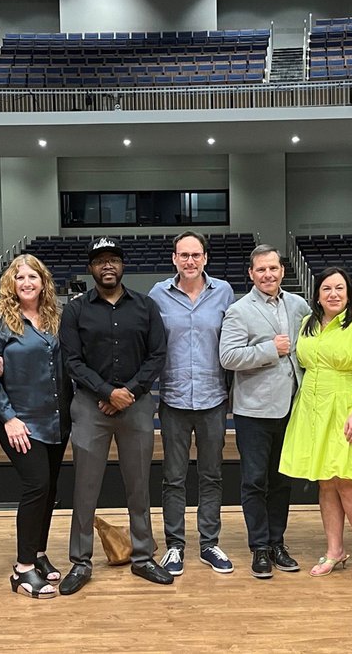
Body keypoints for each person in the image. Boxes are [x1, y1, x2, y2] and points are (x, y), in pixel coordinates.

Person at [58, 237, 171, 595]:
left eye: (113, 260)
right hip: (92, 407)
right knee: (85, 487)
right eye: (99, 261)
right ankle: (81, 561)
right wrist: (107, 393)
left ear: (123, 266)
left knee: (138, 484)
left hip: (135, 406)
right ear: (91, 268)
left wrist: (129, 393)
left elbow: (158, 354)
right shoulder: (76, 310)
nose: (107, 266)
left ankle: (142, 557)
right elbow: (71, 360)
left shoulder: (145, 306)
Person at [279, 267, 352, 581]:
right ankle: (335, 550)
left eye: (339, 288)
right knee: (325, 482)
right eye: (327, 288)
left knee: (347, 482)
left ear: (349, 294)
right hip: (312, 410)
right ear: (317, 293)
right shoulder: (308, 325)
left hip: (348, 408)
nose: (333, 294)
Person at [0, 254, 71, 599]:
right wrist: (9, 417)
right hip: (19, 420)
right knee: (36, 485)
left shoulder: (55, 318)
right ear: (11, 285)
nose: (27, 283)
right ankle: (23, 570)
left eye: (34, 276)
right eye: (20, 278)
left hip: (57, 420)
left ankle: (39, 552)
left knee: (49, 490)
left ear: (44, 282)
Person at [219, 244, 310, 579]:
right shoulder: (239, 310)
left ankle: (277, 543)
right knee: (255, 481)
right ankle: (259, 547)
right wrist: (270, 349)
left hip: (292, 407)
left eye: (273, 268)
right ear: (251, 274)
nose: (268, 274)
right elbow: (228, 357)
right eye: (261, 270)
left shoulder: (299, 305)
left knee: (281, 480)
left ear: (282, 270)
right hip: (254, 411)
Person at [148, 231, 235, 576]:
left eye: (195, 255)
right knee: (173, 477)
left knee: (212, 474)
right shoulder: (158, 294)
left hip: (214, 398)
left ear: (205, 258)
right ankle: (174, 546)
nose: (189, 261)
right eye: (183, 255)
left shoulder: (224, 292)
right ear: (174, 259)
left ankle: (209, 542)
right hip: (174, 398)